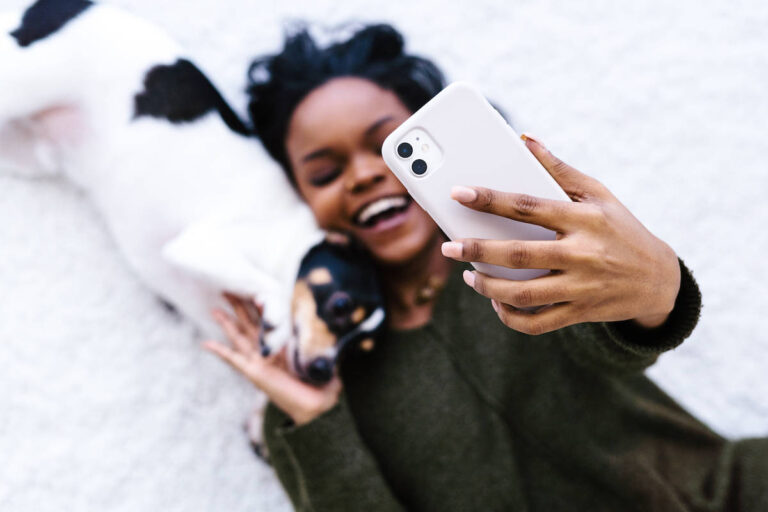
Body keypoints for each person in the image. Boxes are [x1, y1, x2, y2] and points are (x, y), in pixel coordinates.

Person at [203, 24, 767, 511]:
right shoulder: (313, 382)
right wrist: (317, 422)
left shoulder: (535, 251)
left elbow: (612, 344)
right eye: (325, 174)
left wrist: (657, 289)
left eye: (389, 146)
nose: (362, 176)